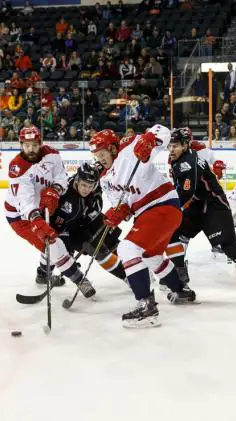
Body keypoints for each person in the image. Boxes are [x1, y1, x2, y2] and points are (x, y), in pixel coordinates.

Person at [90, 126, 196, 329]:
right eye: (96, 155)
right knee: (151, 257)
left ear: (112, 148)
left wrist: (149, 140)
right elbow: (123, 205)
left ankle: (146, 306)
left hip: (163, 205)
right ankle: (180, 290)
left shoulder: (130, 147)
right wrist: (118, 213)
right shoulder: (105, 179)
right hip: (149, 214)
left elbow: (162, 132)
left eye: (102, 153)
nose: (100, 158)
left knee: (127, 248)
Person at [165, 128, 236, 295]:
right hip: (196, 204)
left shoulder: (188, 163)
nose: (171, 150)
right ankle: (180, 278)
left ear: (185, 145)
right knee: (171, 233)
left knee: (228, 245)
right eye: (170, 146)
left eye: (175, 146)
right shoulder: (178, 158)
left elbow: (185, 194)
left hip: (213, 205)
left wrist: (167, 210)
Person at [4, 124, 95, 296]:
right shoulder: (17, 167)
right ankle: (79, 279)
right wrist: (36, 219)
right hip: (21, 217)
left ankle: (42, 274)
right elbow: (24, 200)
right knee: (54, 246)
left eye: (34, 145)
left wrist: (55, 190)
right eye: (27, 145)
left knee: (57, 243)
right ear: (21, 144)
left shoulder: (52, 154)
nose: (31, 149)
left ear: (40, 143)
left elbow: (61, 177)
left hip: (47, 206)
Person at [47, 161, 127, 284]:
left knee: (112, 240)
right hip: (72, 231)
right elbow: (57, 230)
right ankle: (127, 277)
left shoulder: (93, 182)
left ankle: (133, 267)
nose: (87, 189)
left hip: (89, 220)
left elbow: (103, 166)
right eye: (84, 185)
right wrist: (68, 253)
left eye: (91, 186)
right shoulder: (64, 193)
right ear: (77, 180)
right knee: (98, 249)